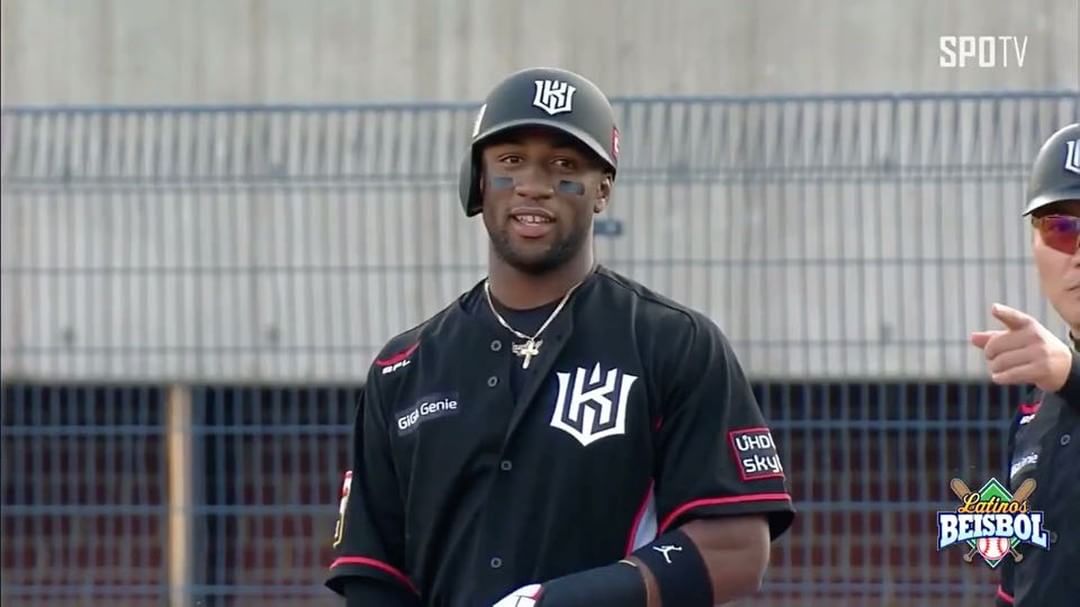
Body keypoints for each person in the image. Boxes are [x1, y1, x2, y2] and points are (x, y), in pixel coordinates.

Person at [325, 66, 795, 607]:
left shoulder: (673, 344)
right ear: (478, 180)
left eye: (564, 165)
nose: (534, 184)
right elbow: (374, 575)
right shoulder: (403, 368)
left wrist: (555, 602)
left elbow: (736, 549)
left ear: (603, 190)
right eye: (510, 161)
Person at [969, 122, 1080, 606]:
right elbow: (1014, 587)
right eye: (1061, 229)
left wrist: (1070, 374)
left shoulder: (1059, 377)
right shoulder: (1032, 414)